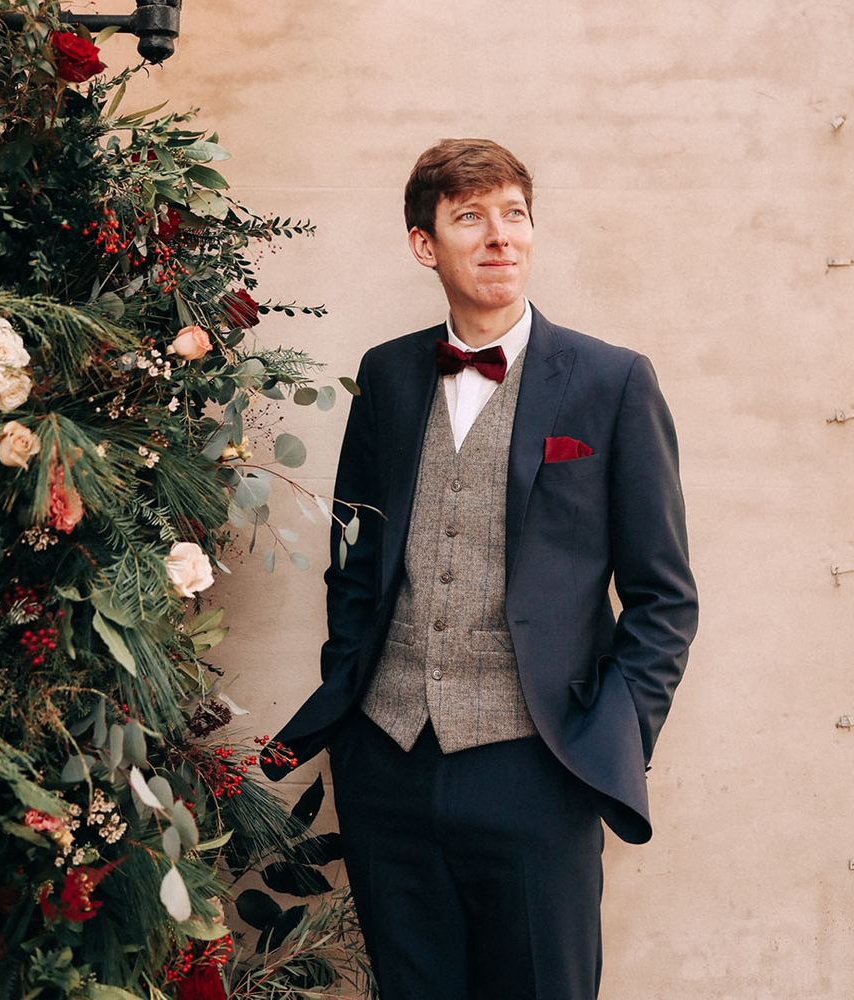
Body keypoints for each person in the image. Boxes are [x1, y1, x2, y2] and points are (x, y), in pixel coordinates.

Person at [262, 138, 698, 1000]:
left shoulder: (612, 382)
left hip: (538, 768)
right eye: (471, 217)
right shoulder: (387, 375)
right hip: (387, 764)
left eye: (515, 214)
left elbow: (664, 598)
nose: (501, 237)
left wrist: (606, 740)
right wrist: (354, 706)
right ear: (427, 244)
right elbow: (355, 559)